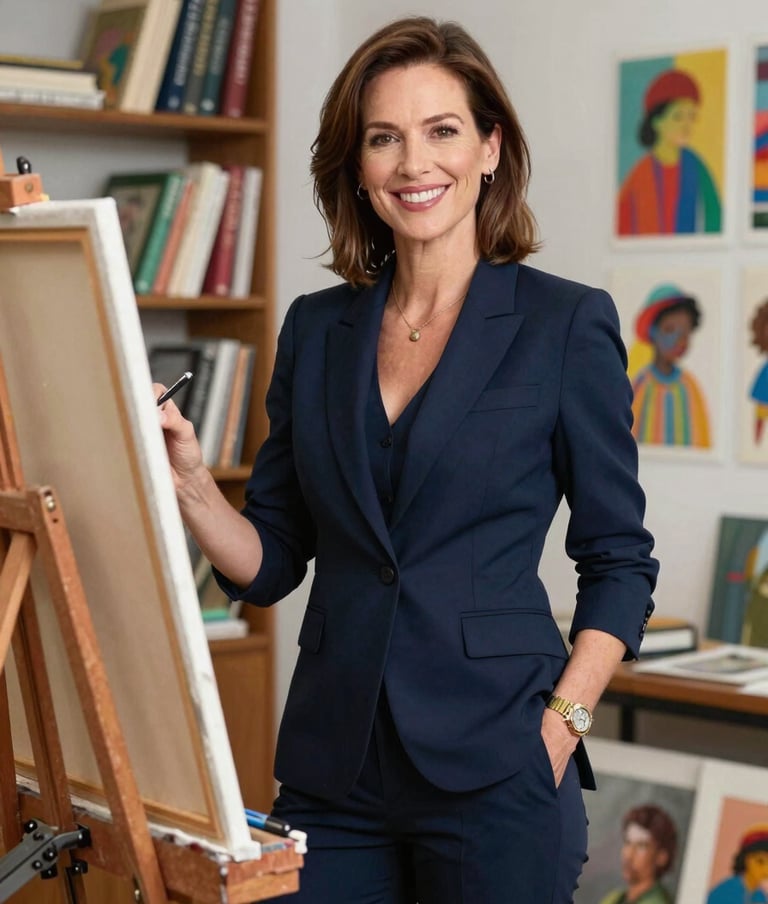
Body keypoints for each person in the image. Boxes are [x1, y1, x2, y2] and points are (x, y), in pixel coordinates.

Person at [157, 16, 658, 903]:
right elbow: (272, 561)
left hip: (500, 767)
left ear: (491, 148)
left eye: (443, 131)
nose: (413, 164)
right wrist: (192, 483)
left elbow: (618, 559)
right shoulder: (317, 331)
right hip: (333, 771)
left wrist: (563, 725)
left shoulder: (563, 325)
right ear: (358, 166)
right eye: (384, 138)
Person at [617, 68, 721, 235]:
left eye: (692, 117)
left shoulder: (696, 167)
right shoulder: (640, 175)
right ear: (657, 121)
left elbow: (715, 219)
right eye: (678, 117)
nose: (687, 125)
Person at [629, 283, 711, 447]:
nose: (678, 340)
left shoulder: (689, 386)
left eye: (685, 333)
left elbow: (702, 438)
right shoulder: (640, 384)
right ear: (652, 330)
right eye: (669, 329)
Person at [599, 805, 677, 904]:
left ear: (662, 856)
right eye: (628, 842)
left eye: (641, 846)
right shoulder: (615, 898)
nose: (628, 855)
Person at [707, 824, 768, 904]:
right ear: (745, 859)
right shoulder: (726, 891)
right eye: (760, 861)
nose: (766, 868)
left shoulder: (760, 895)